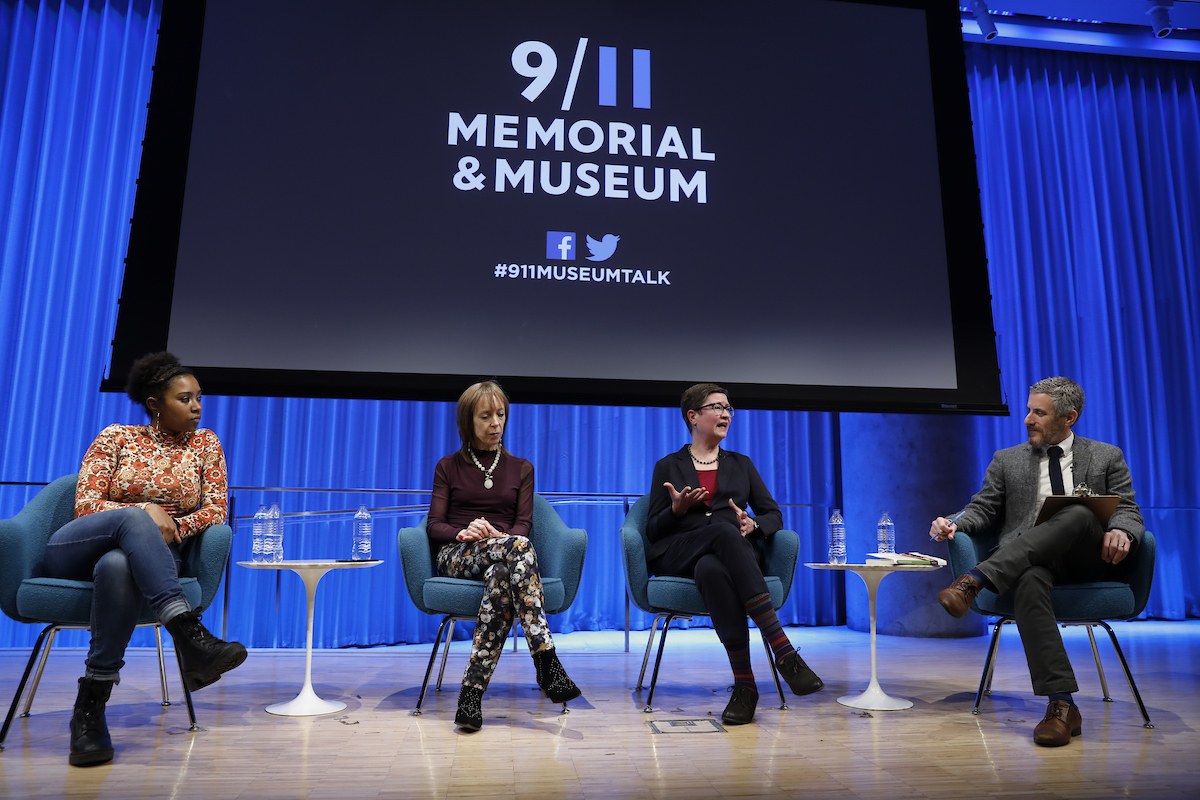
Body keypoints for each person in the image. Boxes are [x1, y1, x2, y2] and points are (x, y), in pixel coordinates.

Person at [45, 352, 247, 767]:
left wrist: (167, 523)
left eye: (199, 398)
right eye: (185, 399)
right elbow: (86, 504)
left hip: (148, 559)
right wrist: (143, 514)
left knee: (118, 566)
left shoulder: (206, 445)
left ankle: (91, 708)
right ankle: (188, 632)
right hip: (79, 547)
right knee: (130, 525)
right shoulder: (116, 437)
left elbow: (214, 511)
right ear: (155, 404)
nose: (197, 407)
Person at [931, 376, 1144, 747]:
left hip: (1087, 558)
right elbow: (983, 508)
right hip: (1030, 562)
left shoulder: (1106, 455)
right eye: (1028, 410)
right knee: (1028, 577)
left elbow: (1127, 508)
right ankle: (1062, 705)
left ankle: (975, 579)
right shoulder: (1008, 460)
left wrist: (1123, 531)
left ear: (1069, 418)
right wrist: (954, 522)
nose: (1027, 419)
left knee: (1079, 513)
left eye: (1038, 413)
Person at [646, 383, 824, 725]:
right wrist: (677, 510)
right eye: (716, 407)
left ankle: (745, 686)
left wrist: (753, 526)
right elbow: (652, 529)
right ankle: (784, 651)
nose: (726, 413)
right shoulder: (667, 466)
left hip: (730, 556)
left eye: (728, 407)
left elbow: (773, 514)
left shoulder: (741, 464)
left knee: (713, 568)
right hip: (680, 553)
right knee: (720, 532)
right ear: (693, 416)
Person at [426, 380, 581, 731]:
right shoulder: (447, 466)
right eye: (486, 416)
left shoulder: (521, 468)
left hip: (503, 554)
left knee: (501, 574)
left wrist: (500, 537)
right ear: (468, 422)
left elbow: (523, 525)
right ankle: (546, 660)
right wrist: (463, 533)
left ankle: (470, 696)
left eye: (501, 414)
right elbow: (434, 525)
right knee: (519, 549)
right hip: (457, 554)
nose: (496, 423)